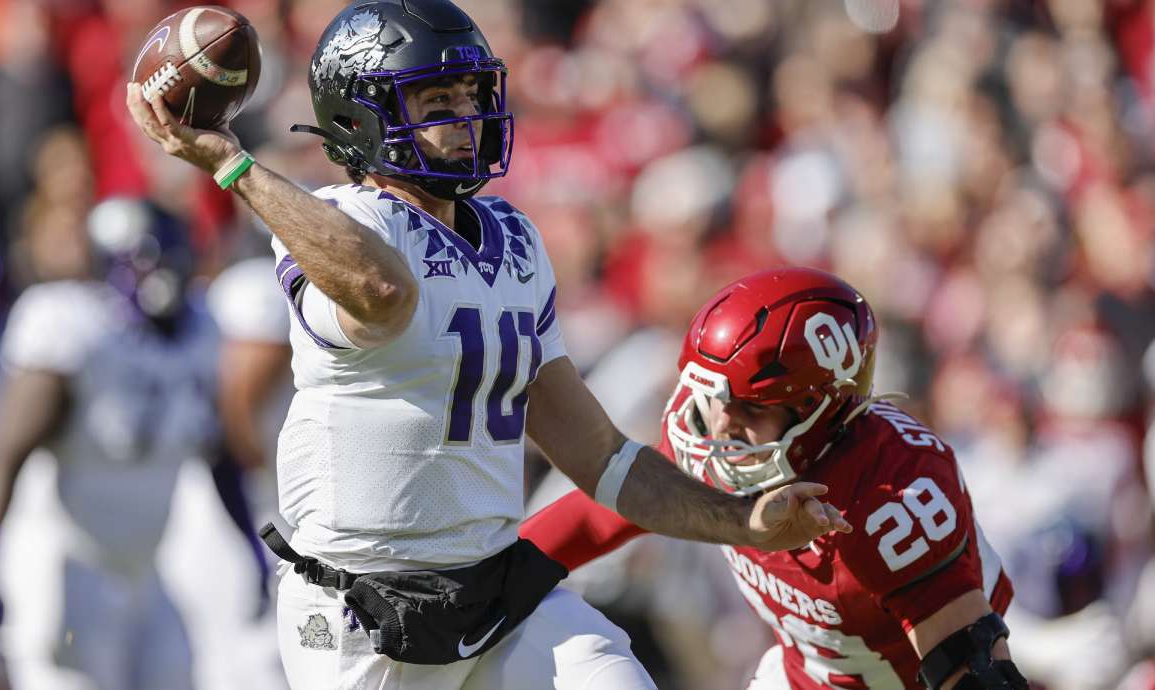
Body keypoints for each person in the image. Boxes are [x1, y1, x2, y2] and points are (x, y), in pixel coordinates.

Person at [124, 1, 851, 689]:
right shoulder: (335, 223)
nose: (467, 119)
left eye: (471, 96)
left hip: (495, 589)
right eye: (437, 102)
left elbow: (599, 456)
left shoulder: (513, 238)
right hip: (362, 610)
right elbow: (382, 290)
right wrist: (234, 165)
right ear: (360, 117)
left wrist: (742, 521)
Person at [520, 268, 1028, 690]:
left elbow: (974, 665)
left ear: (820, 409)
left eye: (750, 407)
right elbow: (604, 514)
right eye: (714, 397)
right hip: (801, 675)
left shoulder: (895, 492)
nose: (721, 424)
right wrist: (495, 573)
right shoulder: (717, 442)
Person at [0, 198, 263, 690]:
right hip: (65, 561)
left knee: (175, 677)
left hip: (148, 566)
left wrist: (251, 546)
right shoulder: (72, 326)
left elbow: (216, 452)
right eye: (145, 260)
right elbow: (5, 455)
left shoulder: (200, 330)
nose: (163, 273)